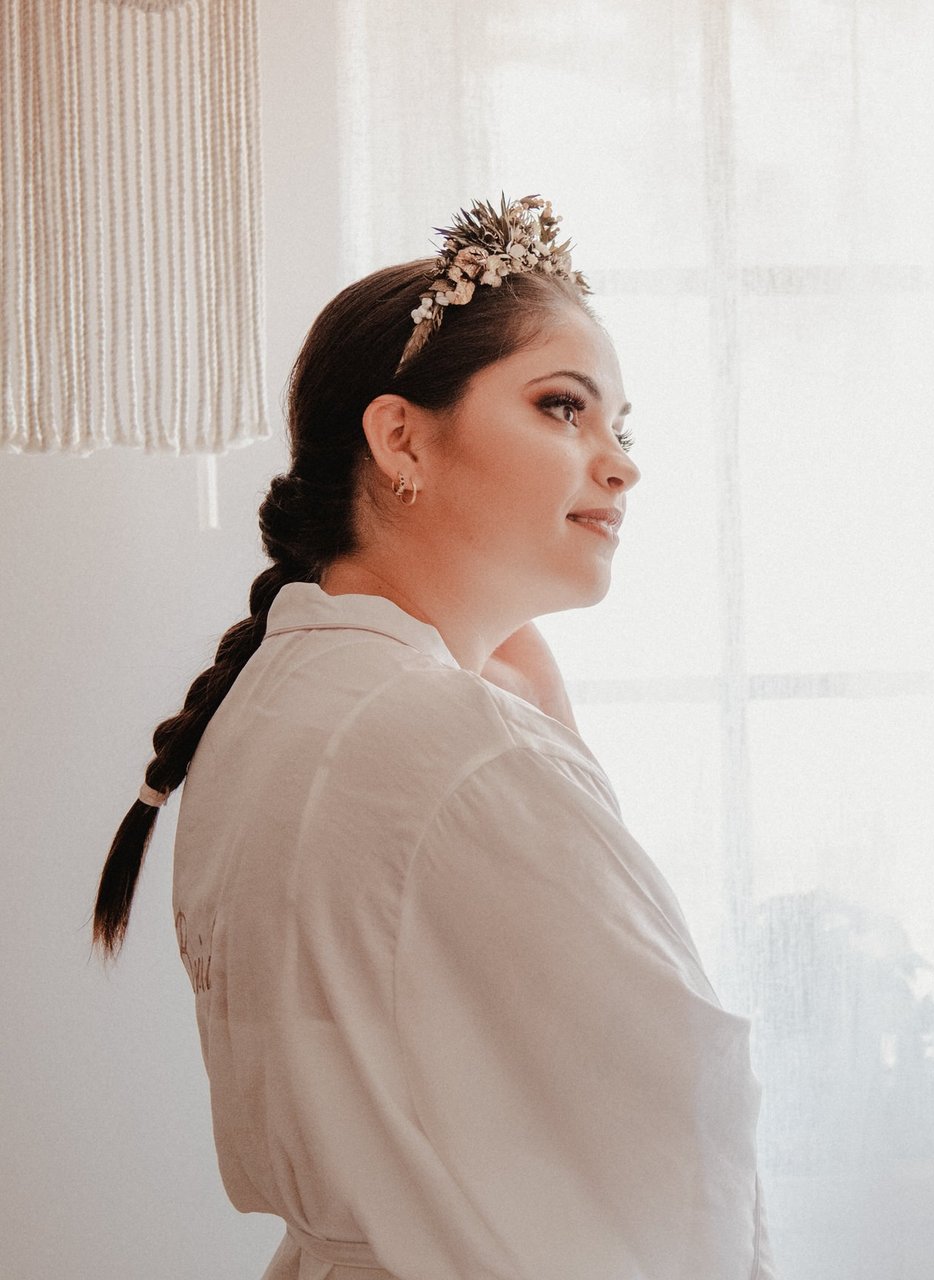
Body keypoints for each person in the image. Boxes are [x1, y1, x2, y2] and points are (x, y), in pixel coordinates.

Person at [91, 194, 777, 1280]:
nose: (619, 462)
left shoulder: (281, 694)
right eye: (563, 406)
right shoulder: (448, 739)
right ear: (400, 435)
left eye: (620, 425)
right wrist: (537, 740)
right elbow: (667, 1108)